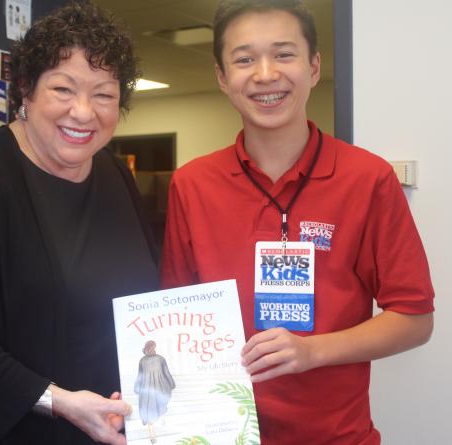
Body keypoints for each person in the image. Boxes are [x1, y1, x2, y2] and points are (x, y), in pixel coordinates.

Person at [160, 1, 435, 444]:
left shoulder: (367, 179)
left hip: (337, 436)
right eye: (244, 59)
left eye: (284, 54)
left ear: (314, 65)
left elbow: (415, 318)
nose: (266, 73)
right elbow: (175, 320)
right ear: (222, 76)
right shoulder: (192, 184)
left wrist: (312, 350)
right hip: (222, 434)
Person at [0, 2, 158, 444]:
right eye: (63, 89)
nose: (83, 112)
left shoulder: (116, 176)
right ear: (26, 90)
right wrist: (57, 400)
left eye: (103, 95)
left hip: (104, 426)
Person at [134, 340, 176, 443]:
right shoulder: (161, 359)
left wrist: (137, 387)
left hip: (147, 389)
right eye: (154, 347)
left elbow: (140, 376)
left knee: (148, 410)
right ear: (153, 347)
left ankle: (152, 436)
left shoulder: (142, 360)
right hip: (159, 387)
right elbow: (166, 373)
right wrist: (171, 384)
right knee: (159, 405)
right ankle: (158, 426)